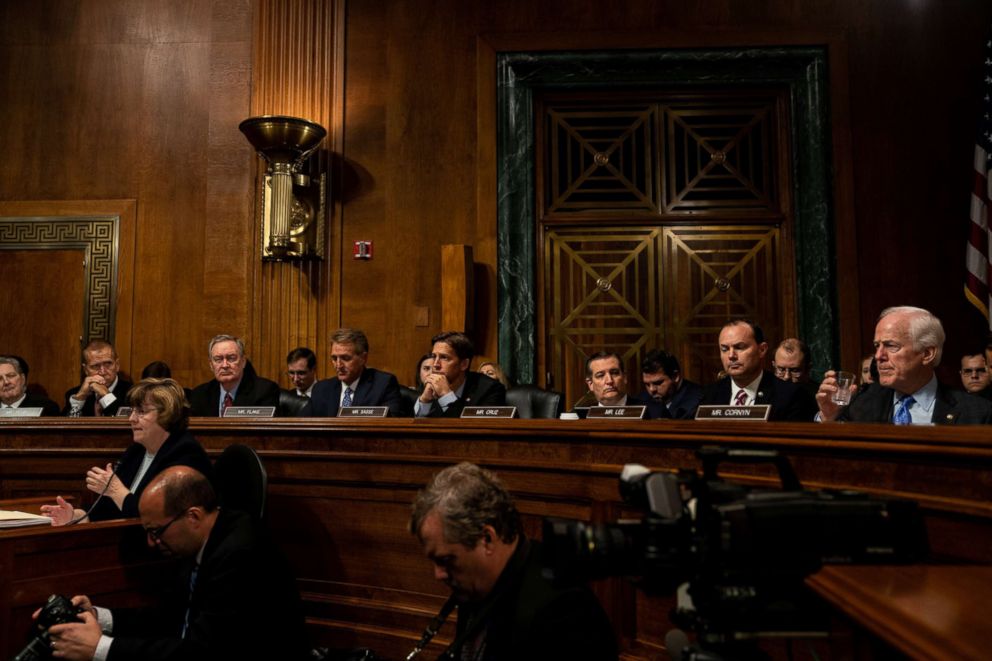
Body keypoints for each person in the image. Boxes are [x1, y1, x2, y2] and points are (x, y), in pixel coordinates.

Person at [43, 466, 309, 661]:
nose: (151, 542)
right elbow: (172, 617)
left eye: (156, 531)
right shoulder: (201, 541)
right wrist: (102, 617)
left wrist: (100, 648)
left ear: (193, 516)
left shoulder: (241, 553)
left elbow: (202, 651)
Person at [409, 462, 618, 661]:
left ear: (487, 539)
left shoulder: (564, 611)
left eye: (446, 560)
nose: (438, 574)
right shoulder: (478, 584)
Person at [42, 378, 212, 525]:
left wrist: (116, 490)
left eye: (141, 412)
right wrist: (75, 516)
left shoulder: (186, 454)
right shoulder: (136, 451)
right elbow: (104, 512)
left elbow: (157, 519)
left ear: (167, 414)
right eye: (132, 411)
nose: (131, 418)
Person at [817, 306, 992, 424]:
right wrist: (829, 416)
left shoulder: (977, 413)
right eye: (877, 346)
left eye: (891, 346)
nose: (878, 356)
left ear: (927, 354)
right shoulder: (861, 403)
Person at [698, 319, 816, 421]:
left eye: (739, 347)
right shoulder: (708, 395)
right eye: (724, 349)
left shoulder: (789, 396)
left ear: (762, 350)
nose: (731, 355)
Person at [301, 329, 405, 416]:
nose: (338, 365)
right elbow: (299, 425)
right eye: (334, 358)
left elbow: (392, 425)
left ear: (363, 358)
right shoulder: (322, 389)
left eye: (345, 358)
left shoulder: (383, 384)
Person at [415, 331, 506, 417]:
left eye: (444, 357)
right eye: (434, 356)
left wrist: (446, 395)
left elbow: (475, 429)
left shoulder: (489, 389)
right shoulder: (431, 386)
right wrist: (425, 401)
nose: (435, 364)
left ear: (464, 364)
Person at [188, 335, 280, 416]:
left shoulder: (264, 391)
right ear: (211, 365)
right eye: (218, 359)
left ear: (243, 362)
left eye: (231, 358)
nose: (225, 365)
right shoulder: (200, 395)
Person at [584, 351, 668, 418]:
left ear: (624, 378)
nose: (609, 381)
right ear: (590, 384)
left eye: (614, 373)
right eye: (600, 375)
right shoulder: (580, 416)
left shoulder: (654, 412)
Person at [63, 341, 132, 417]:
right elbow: (67, 426)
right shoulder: (75, 393)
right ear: (86, 370)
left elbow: (125, 423)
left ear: (117, 365)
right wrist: (80, 398)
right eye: (95, 366)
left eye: (108, 364)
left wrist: (106, 395)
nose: (102, 372)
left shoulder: (132, 392)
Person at [632, 349, 702, 419]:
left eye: (658, 383)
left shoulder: (699, 400)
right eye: (647, 384)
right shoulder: (640, 401)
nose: (652, 389)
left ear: (675, 376)